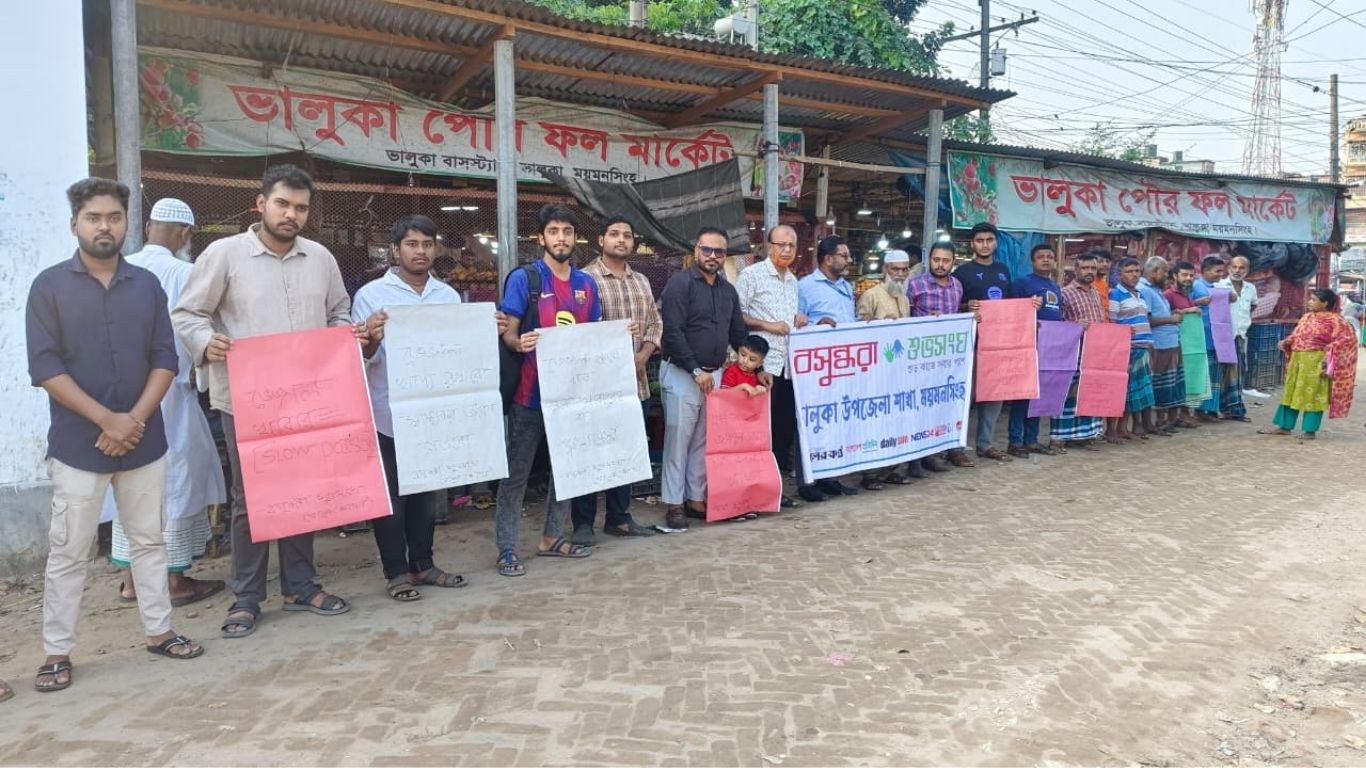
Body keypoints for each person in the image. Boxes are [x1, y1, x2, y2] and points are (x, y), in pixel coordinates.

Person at [27, 178, 204, 693]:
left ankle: (160, 631)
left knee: (150, 541)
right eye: (93, 218)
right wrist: (108, 420)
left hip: (144, 441)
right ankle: (57, 652)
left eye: (113, 217)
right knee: (69, 550)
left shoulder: (146, 285)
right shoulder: (50, 286)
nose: (104, 226)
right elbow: (45, 367)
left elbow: (165, 357)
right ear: (75, 225)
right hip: (79, 446)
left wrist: (134, 420)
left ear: (129, 223)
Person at [174, 164, 362, 639]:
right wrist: (205, 341)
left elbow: (339, 312)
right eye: (283, 204)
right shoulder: (225, 254)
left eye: (300, 208)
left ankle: (300, 586)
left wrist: (345, 336)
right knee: (250, 500)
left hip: (309, 398)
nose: (291, 215)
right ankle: (247, 597)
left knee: (304, 493)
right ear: (261, 204)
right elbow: (188, 312)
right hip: (247, 398)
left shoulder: (320, 258)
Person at [101, 199, 226, 608]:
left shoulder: (119, 267)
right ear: (185, 234)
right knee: (176, 480)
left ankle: (130, 580)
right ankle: (172, 583)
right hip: (169, 393)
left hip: (116, 398)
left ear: (150, 225)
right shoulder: (184, 272)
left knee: (127, 480)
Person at [352, 215, 469, 600]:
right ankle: (396, 571)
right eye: (412, 244)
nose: (420, 251)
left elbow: (459, 352)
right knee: (392, 497)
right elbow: (357, 356)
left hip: (432, 413)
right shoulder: (371, 295)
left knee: (425, 492)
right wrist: (368, 337)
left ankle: (423, 564)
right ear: (396, 249)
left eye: (427, 244)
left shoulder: (447, 297)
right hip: (387, 412)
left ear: (436, 249)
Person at [495, 205, 609, 576]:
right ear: (541, 237)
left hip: (570, 398)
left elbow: (593, 339)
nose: (561, 237)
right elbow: (507, 332)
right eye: (554, 231)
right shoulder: (525, 279)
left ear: (576, 238)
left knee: (568, 470)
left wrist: (619, 337)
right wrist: (517, 343)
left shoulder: (587, 285)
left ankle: (551, 538)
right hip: (529, 395)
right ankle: (507, 548)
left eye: (567, 231)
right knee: (516, 475)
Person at [571, 215, 662, 544]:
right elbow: (578, 332)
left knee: (626, 452)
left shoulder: (642, 281)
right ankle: (583, 523)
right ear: (601, 241)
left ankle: (619, 519)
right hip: (596, 384)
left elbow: (655, 323)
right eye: (614, 234)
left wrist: (643, 355)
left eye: (627, 235)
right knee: (592, 452)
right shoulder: (584, 280)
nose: (621, 240)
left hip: (634, 380)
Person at [660, 227, 754, 529]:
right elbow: (672, 333)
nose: (713, 256)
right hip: (683, 372)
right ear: (696, 250)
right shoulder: (679, 285)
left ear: (725, 255)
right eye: (707, 250)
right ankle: (674, 504)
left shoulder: (728, 291)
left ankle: (695, 499)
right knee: (678, 441)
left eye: (719, 252)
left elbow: (738, 333)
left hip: (714, 374)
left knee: (703, 440)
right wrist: (696, 371)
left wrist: (757, 369)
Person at [735, 225, 808, 507]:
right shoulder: (751, 275)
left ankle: (775, 489)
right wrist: (767, 325)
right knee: (758, 432)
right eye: (781, 245)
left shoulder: (793, 281)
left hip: (788, 367)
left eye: (792, 245)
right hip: (761, 366)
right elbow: (737, 315)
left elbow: (791, 320)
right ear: (768, 246)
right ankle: (752, 490)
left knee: (782, 429)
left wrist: (799, 319)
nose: (787, 250)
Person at [953, 222, 1038, 462]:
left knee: (994, 395)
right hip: (971, 342)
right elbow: (952, 306)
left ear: (996, 243)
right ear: (972, 243)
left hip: (998, 344)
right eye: (980, 241)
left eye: (989, 240)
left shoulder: (1003, 270)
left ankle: (985, 444)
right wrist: (965, 308)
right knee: (965, 397)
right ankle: (955, 447)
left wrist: (1028, 310)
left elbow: (1010, 306)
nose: (985, 245)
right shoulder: (962, 273)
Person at [796, 236, 861, 497]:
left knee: (835, 420)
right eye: (843, 255)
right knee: (810, 421)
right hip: (816, 368)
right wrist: (815, 327)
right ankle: (806, 482)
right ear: (828, 258)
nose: (847, 260)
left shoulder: (845, 287)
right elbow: (795, 323)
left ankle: (829, 476)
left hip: (843, 366)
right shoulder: (805, 287)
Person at [854, 249, 919, 487]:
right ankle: (870, 474)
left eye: (904, 270)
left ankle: (891, 468)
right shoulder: (871, 295)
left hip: (898, 372)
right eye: (895, 269)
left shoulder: (904, 298)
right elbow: (859, 329)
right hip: (875, 373)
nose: (900, 274)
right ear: (885, 271)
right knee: (874, 424)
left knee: (896, 421)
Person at [1259, 289, 1358, 440]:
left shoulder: (1336, 321)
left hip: (1316, 361)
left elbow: (1348, 339)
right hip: (1298, 361)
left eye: (1314, 300)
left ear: (1325, 303)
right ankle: (1284, 427)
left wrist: (1329, 351)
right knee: (1290, 392)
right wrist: (1288, 341)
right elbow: (1297, 335)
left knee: (1314, 395)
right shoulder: (1306, 317)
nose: (1309, 302)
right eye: (1310, 299)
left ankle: (1309, 430)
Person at [906, 242, 966, 471]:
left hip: (945, 359)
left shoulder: (956, 286)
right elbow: (904, 314)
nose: (940, 265)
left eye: (946, 260)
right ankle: (914, 459)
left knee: (938, 406)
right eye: (936, 260)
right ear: (929, 259)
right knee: (917, 407)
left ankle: (931, 454)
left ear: (953, 261)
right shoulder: (915, 284)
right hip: (919, 358)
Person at [1007, 244, 1064, 457]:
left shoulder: (1055, 286)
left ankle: (1031, 440)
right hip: (1027, 345)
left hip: (1049, 347)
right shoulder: (1022, 283)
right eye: (1041, 257)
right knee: (1023, 394)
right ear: (1033, 261)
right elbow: (1012, 312)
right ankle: (1015, 441)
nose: (1046, 260)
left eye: (1050, 257)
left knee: (1038, 395)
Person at [1050, 251, 1107, 449]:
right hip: (1071, 352)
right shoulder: (1064, 293)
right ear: (1076, 270)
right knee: (1066, 394)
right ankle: (1058, 437)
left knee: (1089, 393)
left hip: (1093, 352)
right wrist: (1075, 325)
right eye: (1085, 268)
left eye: (1093, 268)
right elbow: (1057, 324)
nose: (1089, 271)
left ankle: (1086, 434)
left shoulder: (1096, 293)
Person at [1192, 256, 1248, 423]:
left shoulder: (1217, 287)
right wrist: (1198, 301)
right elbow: (1186, 305)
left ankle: (1209, 410)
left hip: (1217, 338)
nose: (1220, 274)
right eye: (1217, 271)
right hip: (1201, 338)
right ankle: (1199, 411)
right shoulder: (1196, 286)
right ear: (1206, 271)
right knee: (1203, 376)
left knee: (1214, 377)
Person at [1138, 257, 1190, 435]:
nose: (1167, 275)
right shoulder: (1144, 290)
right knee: (1157, 385)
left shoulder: (1156, 290)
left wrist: (1172, 314)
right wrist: (1171, 319)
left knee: (1167, 385)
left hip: (1169, 342)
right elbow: (1147, 319)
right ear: (1154, 271)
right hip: (1158, 344)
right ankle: (1155, 423)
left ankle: (1162, 421)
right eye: (1165, 271)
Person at [1109, 257, 1155, 441]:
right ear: (1119, 275)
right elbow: (1112, 323)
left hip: (1144, 347)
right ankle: (1111, 429)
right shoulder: (1116, 295)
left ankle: (1123, 428)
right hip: (1127, 348)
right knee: (1121, 390)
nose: (1134, 275)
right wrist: (1123, 333)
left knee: (1133, 392)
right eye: (1129, 271)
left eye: (1137, 271)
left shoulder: (1140, 294)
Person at [1217, 255, 1264, 398]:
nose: (1237, 270)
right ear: (1228, 268)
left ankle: (1234, 403)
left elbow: (1253, 305)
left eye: (1241, 267)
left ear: (1247, 270)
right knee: (1222, 370)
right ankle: (1221, 402)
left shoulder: (1250, 288)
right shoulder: (1220, 286)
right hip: (1223, 336)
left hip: (1240, 334)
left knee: (1238, 369)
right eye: (1234, 267)